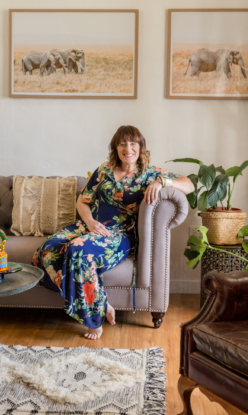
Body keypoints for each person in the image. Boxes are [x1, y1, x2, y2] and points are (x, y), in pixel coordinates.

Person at [32, 125, 194, 340]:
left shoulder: (149, 174)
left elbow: (189, 184)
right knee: (45, 253)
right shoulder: (104, 170)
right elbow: (83, 200)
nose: (128, 148)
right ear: (115, 147)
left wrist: (162, 181)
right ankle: (101, 301)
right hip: (88, 226)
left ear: (141, 147)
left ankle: (93, 320)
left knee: (79, 249)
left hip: (118, 235)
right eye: (122, 143)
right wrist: (89, 222)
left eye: (133, 143)